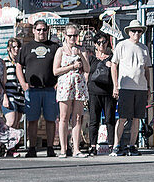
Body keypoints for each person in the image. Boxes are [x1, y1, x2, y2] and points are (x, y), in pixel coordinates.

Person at [16, 20, 60, 157]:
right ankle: (32, 148)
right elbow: (19, 66)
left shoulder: (54, 47)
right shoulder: (26, 47)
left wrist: (58, 83)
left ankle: (50, 147)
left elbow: (61, 64)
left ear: (48, 30)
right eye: (39, 29)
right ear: (34, 30)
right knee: (32, 120)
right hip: (32, 89)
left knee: (51, 120)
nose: (42, 32)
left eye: (44, 29)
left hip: (50, 89)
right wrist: (23, 83)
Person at [111, 20, 151, 156]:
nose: (136, 33)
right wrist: (115, 86)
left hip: (140, 87)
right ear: (128, 32)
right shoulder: (122, 45)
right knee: (122, 117)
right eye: (133, 31)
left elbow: (147, 69)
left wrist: (149, 88)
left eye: (139, 31)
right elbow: (113, 65)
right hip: (125, 87)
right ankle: (116, 145)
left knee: (137, 118)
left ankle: (132, 145)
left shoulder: (144, 48)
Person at [53, 23, 89, 157]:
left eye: (75, 35)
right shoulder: (61, 51)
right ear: (65, 36)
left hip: (78, 84)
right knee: (64, 117)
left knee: (78, 117)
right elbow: (55, 70)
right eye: (70, 35)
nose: (73, 38)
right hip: (65, 84)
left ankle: (76, 149)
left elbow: (87, 69)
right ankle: (63, 148)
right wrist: (72, 66)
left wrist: (81, 55)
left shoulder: (82, 50)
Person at [87, 36, 116, 156]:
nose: (101, 45)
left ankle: (111, 145)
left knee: (110, 119)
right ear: (95, 44)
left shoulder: (112, 58)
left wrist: (115, 87)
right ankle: (93, 146)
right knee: (94, 120)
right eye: (98, 42)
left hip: (108, 92)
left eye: (104, 42)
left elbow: (116, 73)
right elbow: (86, 74)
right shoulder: (91, 59)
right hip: (93, 92)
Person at [3, 37, 26, 134]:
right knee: (11, 121)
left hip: (20, 96)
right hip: (9, 95)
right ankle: (2, 142)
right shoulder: (5, 62)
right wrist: (4, 97)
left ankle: (11, 147)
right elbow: (1, 81)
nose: (16, 49)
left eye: (18, 47)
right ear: (9, 48)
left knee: (16, 124)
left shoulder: (21, 63)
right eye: (14, 47)